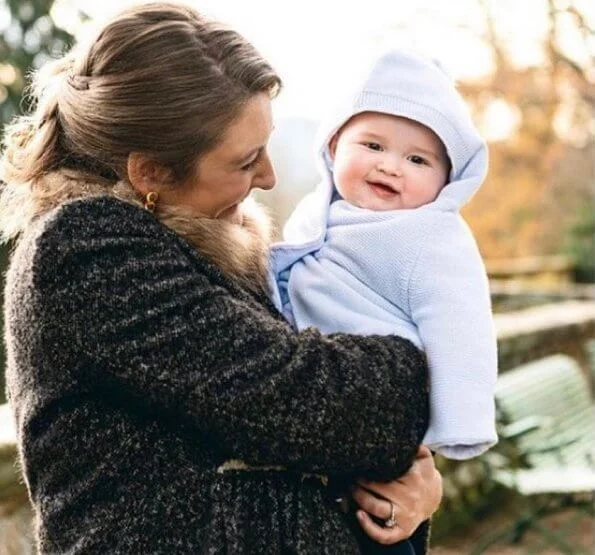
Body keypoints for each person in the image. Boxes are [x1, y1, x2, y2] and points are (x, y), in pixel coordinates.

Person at [0, 3, 442, 553]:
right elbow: (308, 401)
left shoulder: (204, 248)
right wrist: (427, 361)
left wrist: (408, 487)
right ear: (151, 173)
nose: (269, 176)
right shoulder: (86, 248)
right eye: (245, 160)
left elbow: (324, 426)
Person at [271, 49, 499, 463]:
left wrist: (462, 421)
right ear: (335, 143)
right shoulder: (314, 209)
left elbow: (461, 324)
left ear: (447, 179)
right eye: (373, 145)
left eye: (417, 159)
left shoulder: (434, 236)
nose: (390, 167)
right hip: (303, 380)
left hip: (377, 396)